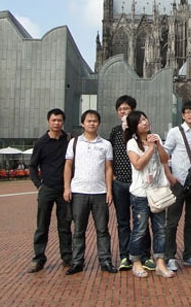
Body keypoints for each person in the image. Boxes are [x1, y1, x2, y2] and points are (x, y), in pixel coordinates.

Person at [63, 109, 118, 275]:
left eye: (95, 121)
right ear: (82, 124)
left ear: (98, 123)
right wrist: (67, 187)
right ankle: (77, 262)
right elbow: (68, 165)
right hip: (79, 191)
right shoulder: (74, 142)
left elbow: (108, 168)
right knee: (79, 230)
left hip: (100, 193)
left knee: (102, 230)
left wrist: (109, 190)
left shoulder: (106, 144)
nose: (92, 123)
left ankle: (105, 261)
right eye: (88, 121)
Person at [125, 111, 175, 279]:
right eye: (140, 122)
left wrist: (158, 146)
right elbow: (138, 164)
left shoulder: (156, 138)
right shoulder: (132, 143)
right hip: (141, 193)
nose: (144, 123)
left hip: (158, 191)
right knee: (140, 229)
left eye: (145, 119)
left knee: (160, 229)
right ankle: (136, 262)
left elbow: (165, 159)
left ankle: (160, 262)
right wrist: (150, 148)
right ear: (134, 127)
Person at [109, 95, 154, 272]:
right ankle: (125, 256)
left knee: (142, 220)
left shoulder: (142, 133)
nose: (123, 112)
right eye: (120, 109)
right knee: (122, 222)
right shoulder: (114, 132)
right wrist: (113, 178)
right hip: (120, 182)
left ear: (133, 111)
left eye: (126, 109)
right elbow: (109, 157)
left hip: (140, 184)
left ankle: (145, 255)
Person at [27, 108, 72, 273]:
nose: (56, 123)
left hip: (64, 189)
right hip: (47, 188)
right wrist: (39, 185)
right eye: (54, 120)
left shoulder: (68, 141)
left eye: (59, 120)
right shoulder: (41, 142)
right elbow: (32, 166)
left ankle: (67, 257)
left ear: (63, 122)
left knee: (65, 224)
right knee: (42, 225)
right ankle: (38, 258)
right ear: (48, 121)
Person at [163, 100, 191, 271]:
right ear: (182, 115)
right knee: (172, 221)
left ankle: (188, 255)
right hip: (178, 183)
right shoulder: (175, 132)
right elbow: (164, 155)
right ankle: (170, 256)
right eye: (187, 112)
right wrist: (170, 175)